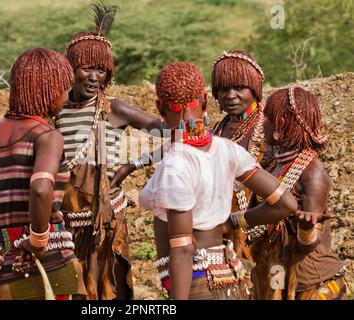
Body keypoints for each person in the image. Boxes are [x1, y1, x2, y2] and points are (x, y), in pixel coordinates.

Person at [138, 62, 327, 300]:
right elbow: (286, 204)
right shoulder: (228, 150)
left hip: (196, 284)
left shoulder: (176, 165)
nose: (231, 96)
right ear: (205, 102)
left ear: (159, 108)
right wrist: (235, 221)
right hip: (231, 280)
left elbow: (184, 249)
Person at [56, 1, 164, 300]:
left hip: (107, 222)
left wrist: (133, 165)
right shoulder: (55, 109)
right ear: (70, 69)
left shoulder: (115, 109)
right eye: (87, 68)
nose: (94, 77)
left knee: (110, 293)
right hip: (64, 223)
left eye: (102, 70)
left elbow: (176, 138)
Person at [0, 48, 86, 300]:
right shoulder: (47, 136)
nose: (67, 95)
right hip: (50, 261)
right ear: (48, 91)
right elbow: (40, 188)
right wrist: (37, 239)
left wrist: (6, 228)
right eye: (64, 88)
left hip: (4, 265)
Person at [247, 85, 348, 300]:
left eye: (267, 118)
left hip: (311, 284)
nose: (261, 123)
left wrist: (306, 229)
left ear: (280, 125)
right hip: (276, 275)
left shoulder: (313, 173)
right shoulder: (273, 164)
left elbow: (310, 244)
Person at [211, 50, 268, 260]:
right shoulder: (216, 131)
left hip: (259, 234)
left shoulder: (269, 131)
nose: (230, 95)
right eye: (224, 89)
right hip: (218, 231)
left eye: (240, 88)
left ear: (255, 89)